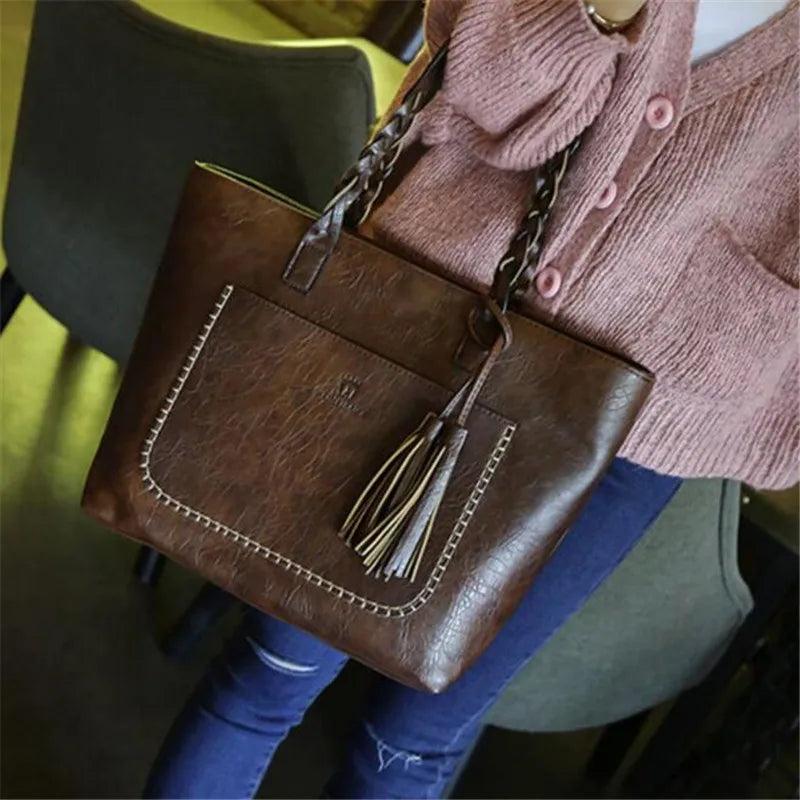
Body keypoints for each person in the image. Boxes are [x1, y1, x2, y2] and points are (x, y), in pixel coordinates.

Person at [144, 0, 798, 797]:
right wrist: (594, 15)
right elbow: (479, 79)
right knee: (272, 671)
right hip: (432, 323)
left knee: (415, 739)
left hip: (646, 417)